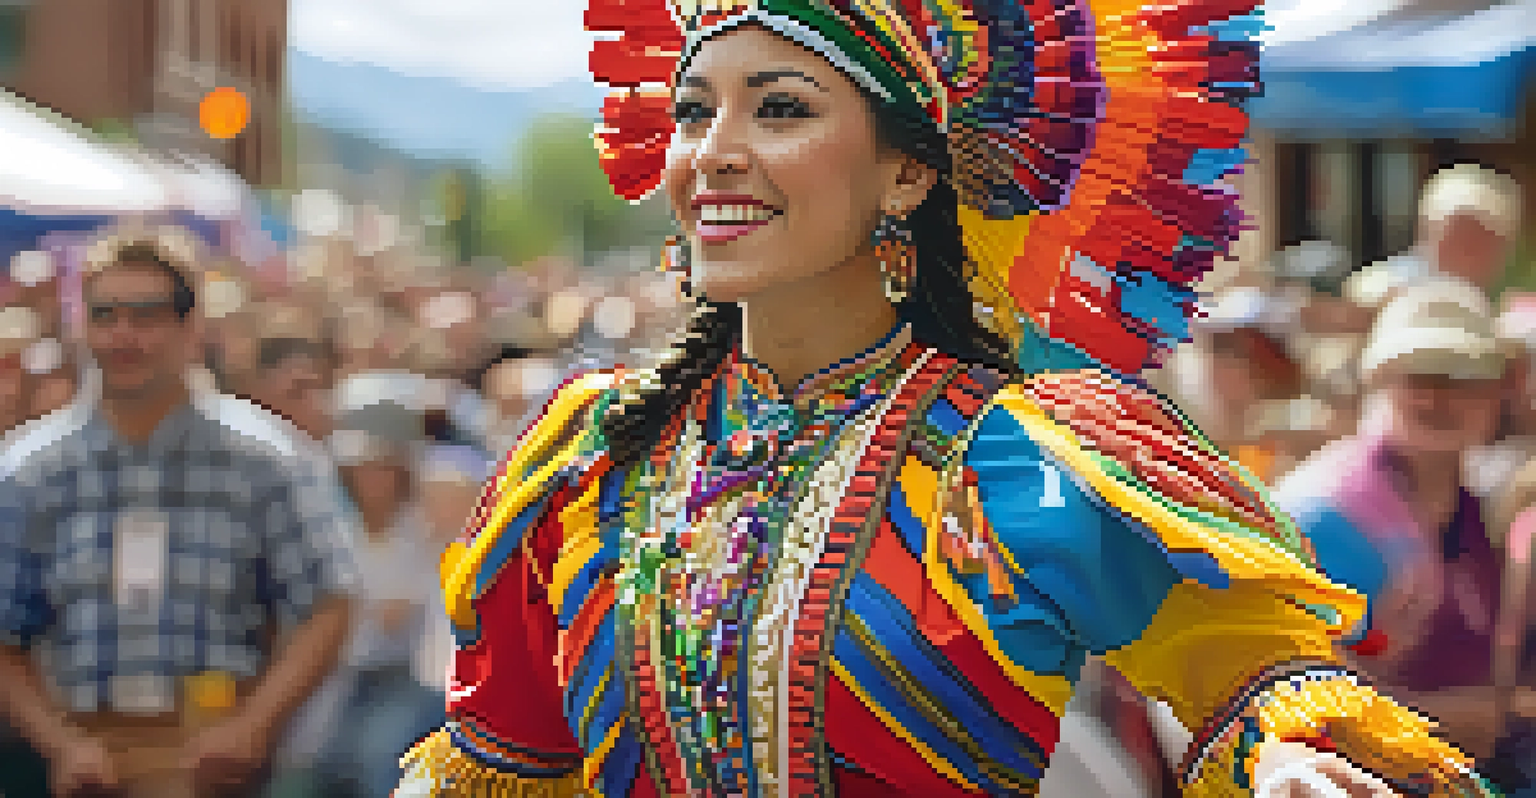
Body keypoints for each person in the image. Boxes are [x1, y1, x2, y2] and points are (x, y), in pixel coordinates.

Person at [399, 1, 1499, 795]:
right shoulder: (592, 457)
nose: (715, 154)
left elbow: (1251, 672)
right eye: (694, 111)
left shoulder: (1021, 459)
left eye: (779, 109)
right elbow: (500, 759)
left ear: (908, 174)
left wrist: (1288, 760)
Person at [0, 235, 355, 798]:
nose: (123, 335)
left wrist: (256, 725)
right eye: (104, 315)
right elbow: (4, 636)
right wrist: (61, 745)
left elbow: (331, 601)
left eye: (146, 316)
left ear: (193, 329)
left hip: (221, 765)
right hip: (87, 764)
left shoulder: (268, 460)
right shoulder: (28, 471)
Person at [1275, 282, 1524, 772]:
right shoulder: (1322, 511)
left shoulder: (1477, 506)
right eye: (1416, 375)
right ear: (1380, 382)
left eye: (1462, 375)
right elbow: (1281, 689)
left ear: (1498, 392)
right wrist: (1439, 719)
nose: (1438, 396)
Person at [1345, 162, 1523, 310]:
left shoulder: (1509, 308)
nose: (1470, 246)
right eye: (1460, 230)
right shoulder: (1382, 284)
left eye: (1486, 236)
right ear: (1427, 230)